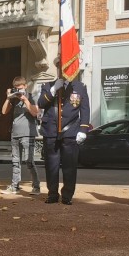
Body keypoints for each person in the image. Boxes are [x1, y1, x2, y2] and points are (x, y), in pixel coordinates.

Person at [37, 62, 91, 205]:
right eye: (61, 67)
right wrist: (53, 90)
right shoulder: (48, 86)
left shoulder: (79, 87)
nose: (64, 70)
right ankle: (52, 194)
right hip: (51, 131)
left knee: (70, 166)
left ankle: (67, 195)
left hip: (71, 131)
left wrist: (83, 130)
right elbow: (41, 103)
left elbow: (85, 109)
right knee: (51, 166)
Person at [1, 76, 40, 195]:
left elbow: (35, 113)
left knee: (29, 161)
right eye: (16, 88)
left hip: (28, 134)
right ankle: (14, 186)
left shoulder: (32, 97)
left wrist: (25, 100)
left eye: (20, 88)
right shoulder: (14, 99)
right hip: (15, 133)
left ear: (25, 86)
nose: (18, 90)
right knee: (15, 162)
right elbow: (3, 111)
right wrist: (8, 98)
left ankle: (36, 187)